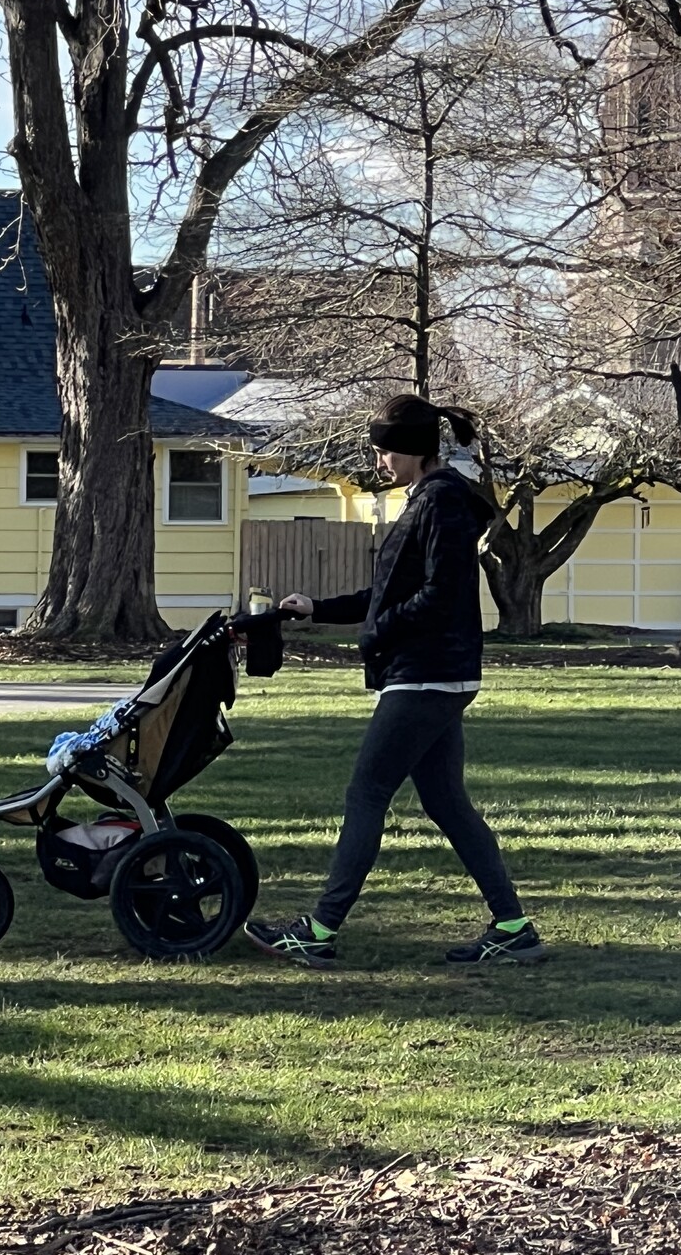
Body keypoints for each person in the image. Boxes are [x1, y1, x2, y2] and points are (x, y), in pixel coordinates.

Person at [244, 394, 545, 970]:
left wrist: (377, 632)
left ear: (412, 450)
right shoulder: (427, 500)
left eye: (385, 449)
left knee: (367, 794)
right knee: (448, 804)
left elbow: (439, 597)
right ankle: (514, 927)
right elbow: (391, 592)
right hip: (434, 674)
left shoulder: (443, 505)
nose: (379, 458)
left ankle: (319, 929)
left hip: (427, 674)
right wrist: (317, 608)